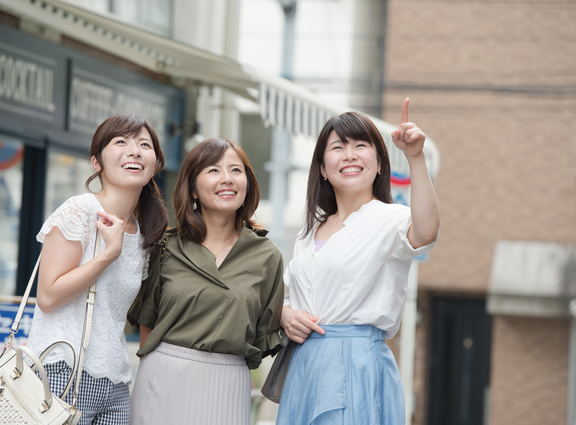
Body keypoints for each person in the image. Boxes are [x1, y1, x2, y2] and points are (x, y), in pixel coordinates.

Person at [277, 98, 440, 425]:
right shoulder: (309, 231)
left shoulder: (391, 218)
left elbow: (425, 231)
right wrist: (285, 314)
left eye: (360, 145)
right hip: (305, 363)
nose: (349, 155)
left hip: (357, 362)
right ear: (322, 168)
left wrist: (415, 157)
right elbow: (288, 296)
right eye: (338, 147)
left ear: (380, 164)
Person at [127, 138, 285, 425]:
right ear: (193, 188)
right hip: (162, 380)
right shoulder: (165, 247)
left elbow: (263, 335)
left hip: (229, 383)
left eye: (236, 170)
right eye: (213, 170)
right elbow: (147, 323)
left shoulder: (267, 255)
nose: (227, 179)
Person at [26, 114, 169, 424]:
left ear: (155, 163)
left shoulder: (145, 232)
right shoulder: (81, 209)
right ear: (96, 162)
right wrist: (108, 254)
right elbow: (48, 296)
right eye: (121, 142)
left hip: (116, 379)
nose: (134, 151)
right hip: (64, 369)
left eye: (144, 145)